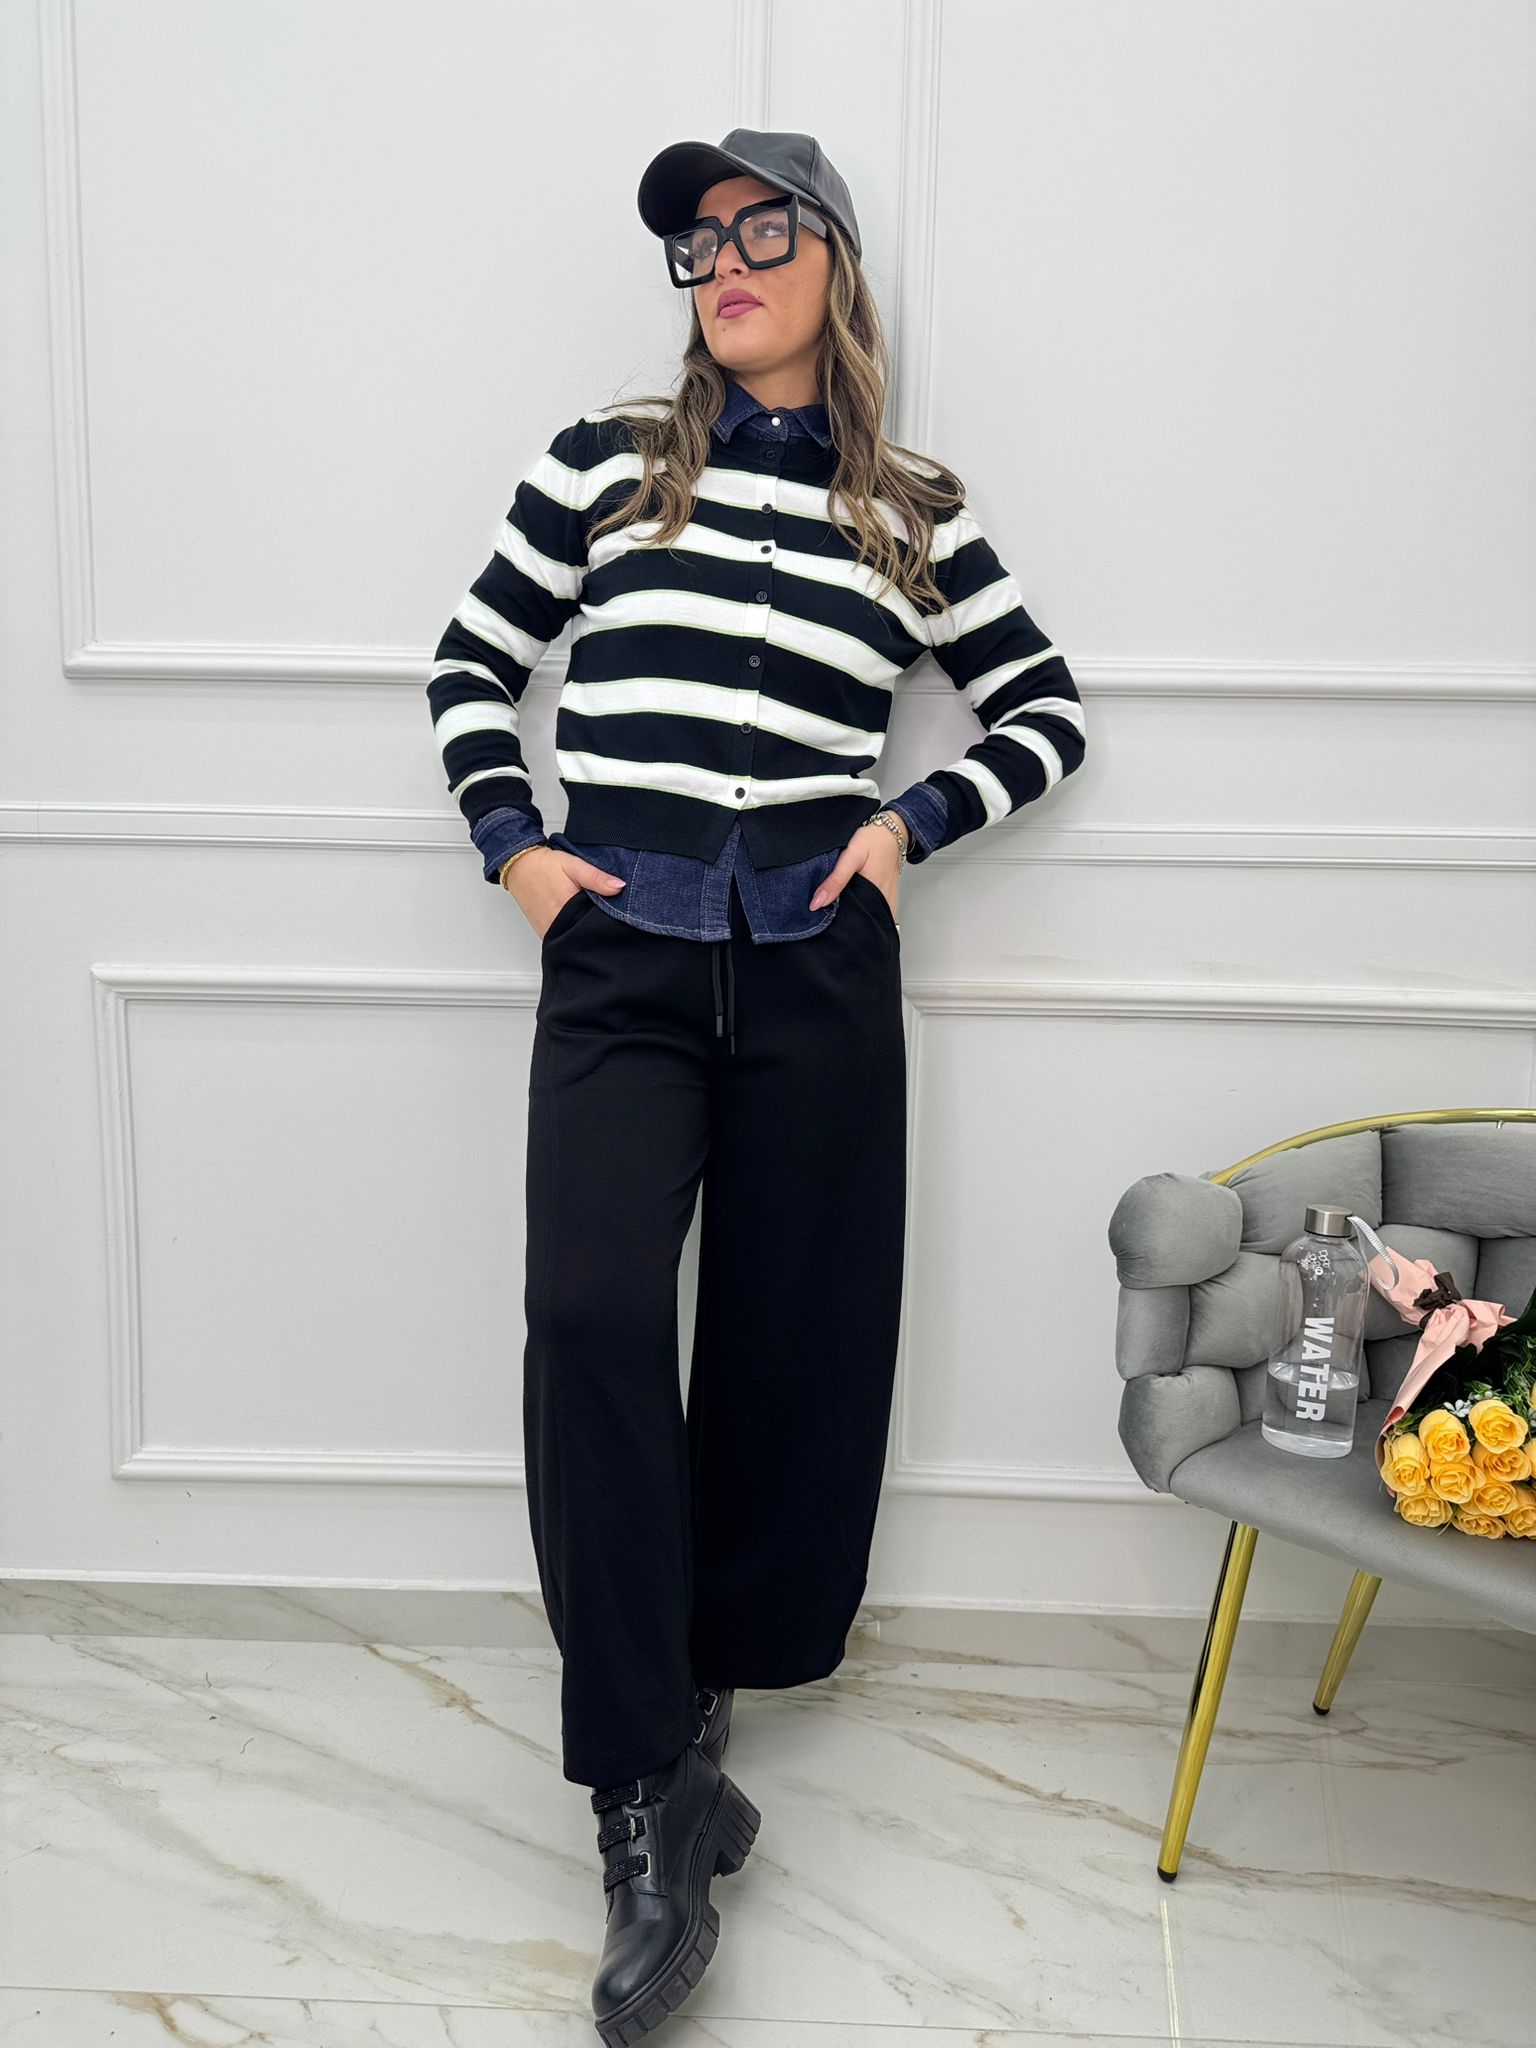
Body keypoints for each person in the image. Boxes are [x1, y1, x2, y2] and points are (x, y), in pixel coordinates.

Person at [425, 127, 1088, 2047]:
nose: (722, 264)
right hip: (620, 955)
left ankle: (703, 1719)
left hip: (815, 960)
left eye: (759, 229)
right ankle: (644, 1795)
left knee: (793, 1352)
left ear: (834, 264)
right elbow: (471, 663)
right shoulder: (608, 460)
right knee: (592, 1316)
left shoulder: (913, 510)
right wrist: (519, 850)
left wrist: (904, 829)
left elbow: (1046, 709)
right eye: (698, 244)